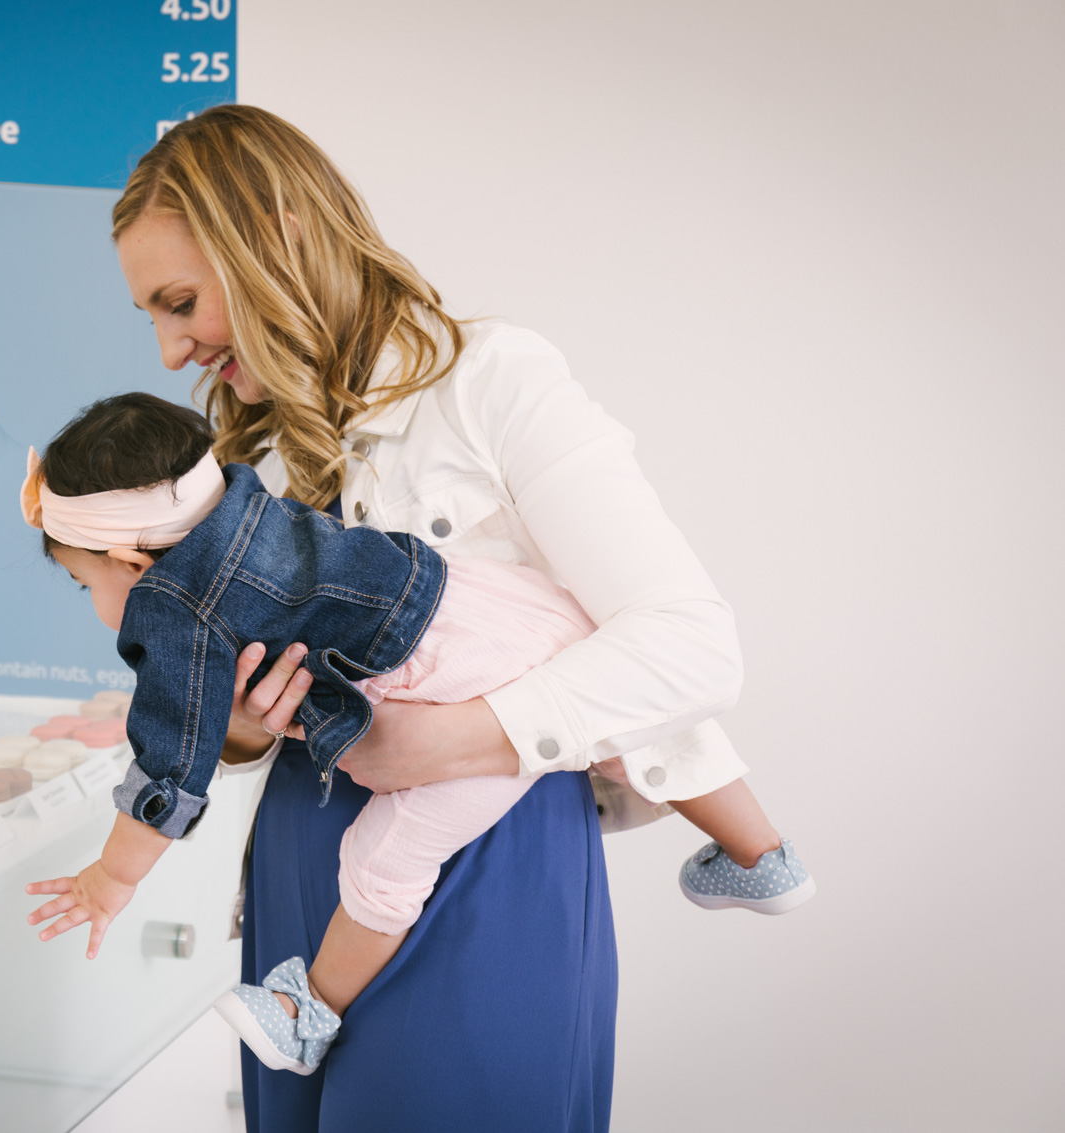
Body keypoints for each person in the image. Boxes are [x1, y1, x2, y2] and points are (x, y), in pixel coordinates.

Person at [78, 103, 782, 1131]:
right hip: (298, 861)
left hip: (487, 862)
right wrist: (236, 724)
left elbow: (690, 645)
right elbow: (235, 724)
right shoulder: (240, 461)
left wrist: (449, 737)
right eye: (151, 314)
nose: (171, 347)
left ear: (274, 232)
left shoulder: (491, 379)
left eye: (179, 301)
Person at [21, 392, 812, 1074]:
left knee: (382, 861)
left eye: (83, 580)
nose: (93, 599)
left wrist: (114, 876)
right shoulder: (243, 497)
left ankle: (306, 1011)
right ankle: (763, 855)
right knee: (632, 721)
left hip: (452, 691)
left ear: (130, 556)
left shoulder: (171, 606)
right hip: (493, 599)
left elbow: (170, 759)